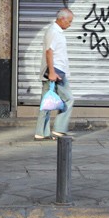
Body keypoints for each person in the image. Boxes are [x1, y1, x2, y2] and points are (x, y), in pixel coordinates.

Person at [35, 7, 75, 141]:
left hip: (57, 72)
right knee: (68, 99)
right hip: (55, 73)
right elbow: (49, 52)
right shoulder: (53, 31)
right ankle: (58, 130)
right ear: (62, 19)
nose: (70, 24)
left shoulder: (56, 31)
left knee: (47, 102)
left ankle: (41, 133)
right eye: (69, 21)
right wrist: (52, 72)